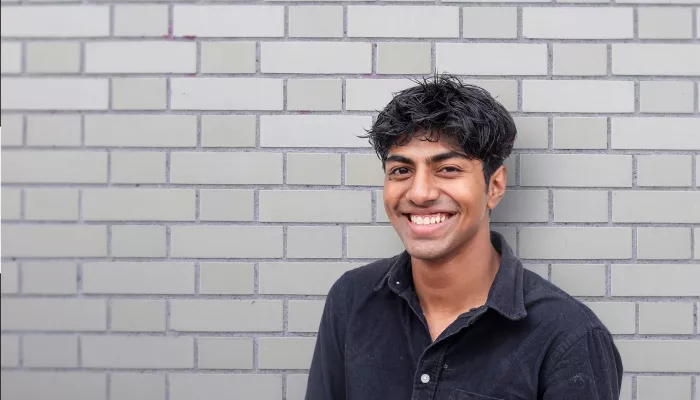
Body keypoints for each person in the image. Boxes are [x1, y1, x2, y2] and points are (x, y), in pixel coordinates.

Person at [305, 75, 623, 400]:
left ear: (494, 187)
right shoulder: (352, 299)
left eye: (448, 169)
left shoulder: (568, 336)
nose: (420, 193)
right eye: (401, 170)